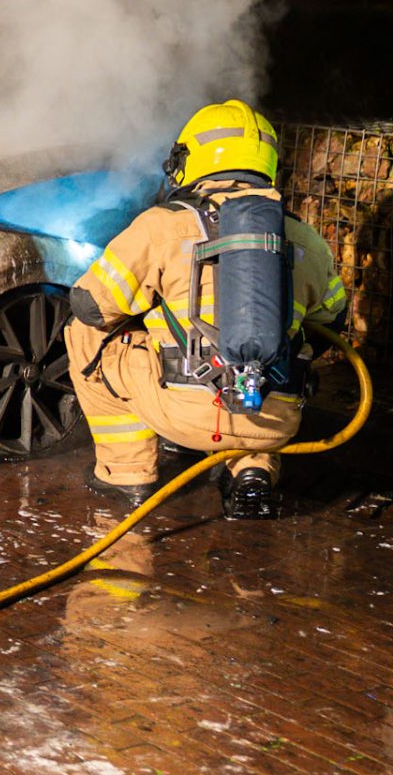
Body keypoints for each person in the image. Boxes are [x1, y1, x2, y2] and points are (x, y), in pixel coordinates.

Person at [64, 100, 347, 520]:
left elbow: (91, 305)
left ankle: (127, 473)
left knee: (82, 334)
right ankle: (253, 469)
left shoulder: (162, 225)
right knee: (279, 352)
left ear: (188, 160)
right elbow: (333, 321)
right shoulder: (306, 239)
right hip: (277, 420)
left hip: (185, 412)